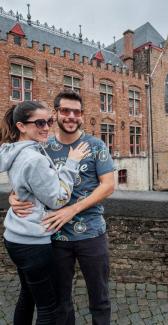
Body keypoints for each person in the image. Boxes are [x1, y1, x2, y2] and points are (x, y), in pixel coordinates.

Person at [10, 90, 115, 325]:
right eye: (65, 111)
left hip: (92, 233)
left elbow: (108, 186)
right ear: (56, 113)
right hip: (54, 236)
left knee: (100, 298)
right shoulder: (42, 146)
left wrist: (72, 209)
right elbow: (26, 176)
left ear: (82, 116)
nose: (71, 116)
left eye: (77, 112)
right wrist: (13, 196)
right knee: (60, 302)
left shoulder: (95, 145)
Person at [0, 101, 88, 325]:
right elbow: (58, 200)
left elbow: (27, 184)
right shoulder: (34, 158)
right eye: (39, 122)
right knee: (49, 308)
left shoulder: (13, 150)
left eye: (49, 121)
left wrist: (13, 195)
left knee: (27, 295)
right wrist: (71, 163)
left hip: (14, 236)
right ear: (21, 126)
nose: (47, 127)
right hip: (33, 242)